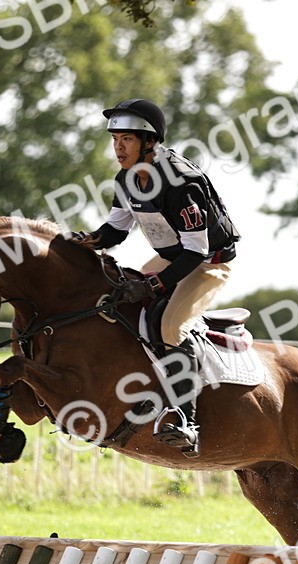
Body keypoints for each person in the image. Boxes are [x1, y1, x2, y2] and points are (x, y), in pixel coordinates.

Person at [70, 98, 240, 457]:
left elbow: (195, 251)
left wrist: (152, 285)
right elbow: (116, 229)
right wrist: (85, 241)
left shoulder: (182, 184)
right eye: (115, 139)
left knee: (168, 325)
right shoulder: (126, 179)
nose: (118, 147)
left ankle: (187, 421)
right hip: (171, 257)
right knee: (113, 302)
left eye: (127, 139)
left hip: (209, 262)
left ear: (148, 142)